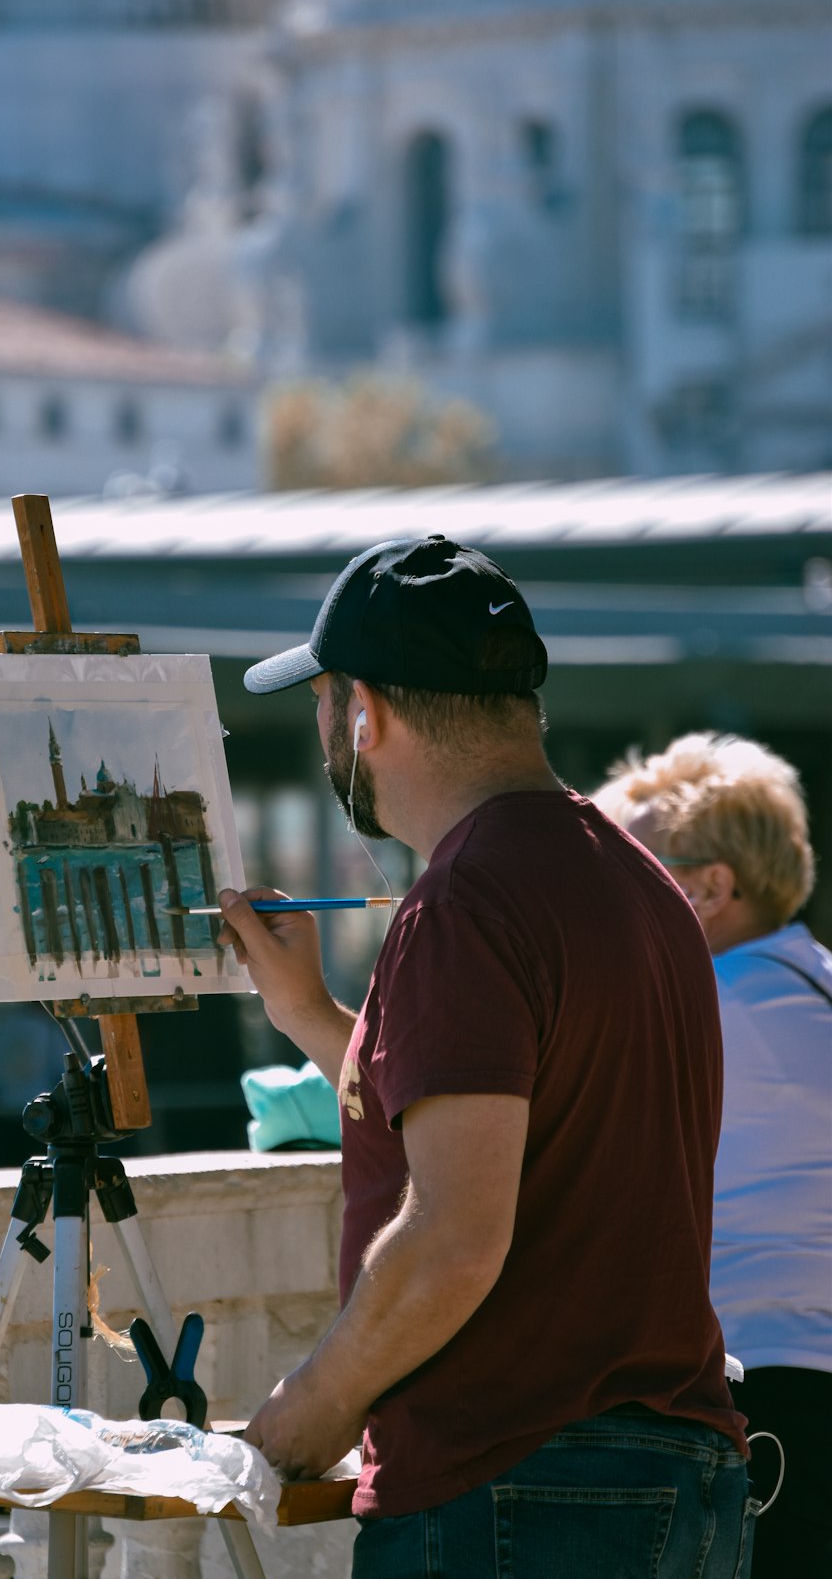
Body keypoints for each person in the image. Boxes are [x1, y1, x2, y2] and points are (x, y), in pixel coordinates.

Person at [218, 536, 753, 1579]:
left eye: (326, 702)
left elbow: (455, 1236)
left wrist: (302, 1418)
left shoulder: (465, 901)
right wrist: (314, 1018)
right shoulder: (631, 877)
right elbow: (526, 1113)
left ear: (364, 712)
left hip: (518, 1490)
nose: (326, 731)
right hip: (672, 1477)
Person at [594, 732, 832, 1577]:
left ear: (708, 888)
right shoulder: (810, 984)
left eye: (629, 869)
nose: (600, 896)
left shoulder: (699, 1009)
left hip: (760, 1406)